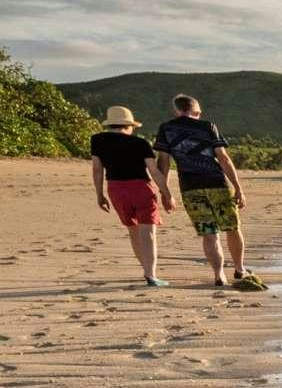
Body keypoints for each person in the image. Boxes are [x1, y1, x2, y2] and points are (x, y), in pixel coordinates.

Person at [153, 93, 249, 288]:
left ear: (177, 110)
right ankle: (239, 269)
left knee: (209, 232)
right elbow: (223, 157)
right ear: (196, 110)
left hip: (189, 187)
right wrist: (238, 187)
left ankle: (219, 275)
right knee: (232, 227)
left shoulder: (166, 128)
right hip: (216, 183)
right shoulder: (208, 126)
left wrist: (165, 192)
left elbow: (163, 161)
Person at [89, 105, 172, 287]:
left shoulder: (97, 140)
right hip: (141, 188)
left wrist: (100, 195)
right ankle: (151, 274)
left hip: (116, 189)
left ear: (111, 124)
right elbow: (154, 171)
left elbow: (97, 170)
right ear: (129, 126)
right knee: (148, 232)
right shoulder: (140, 143)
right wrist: (167, 193)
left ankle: (146, 269)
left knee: (133, 229)